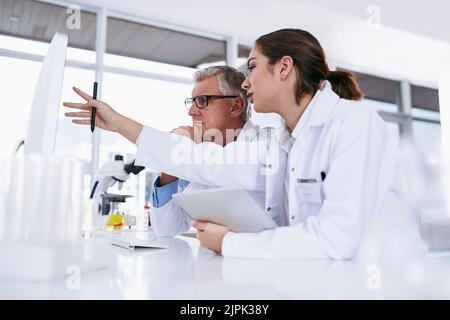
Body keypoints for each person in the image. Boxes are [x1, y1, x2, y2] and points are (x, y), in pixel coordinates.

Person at [64, 28, 417, 260]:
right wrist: (120, 123)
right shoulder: (281, 141)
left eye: (252, 68)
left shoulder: (355, 125)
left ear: (284, 68)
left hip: (383, 281)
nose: (247, 84)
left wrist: (228, 243)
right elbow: (205, 162)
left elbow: (336, 239)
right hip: (318, 277)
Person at [150, 66, 266, 237]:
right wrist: (171, 162)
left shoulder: (263, 146)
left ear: (235, 106)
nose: (191, 111)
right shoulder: (198, 152)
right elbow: (167, 230)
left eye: (203, 101)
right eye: (192, 102)